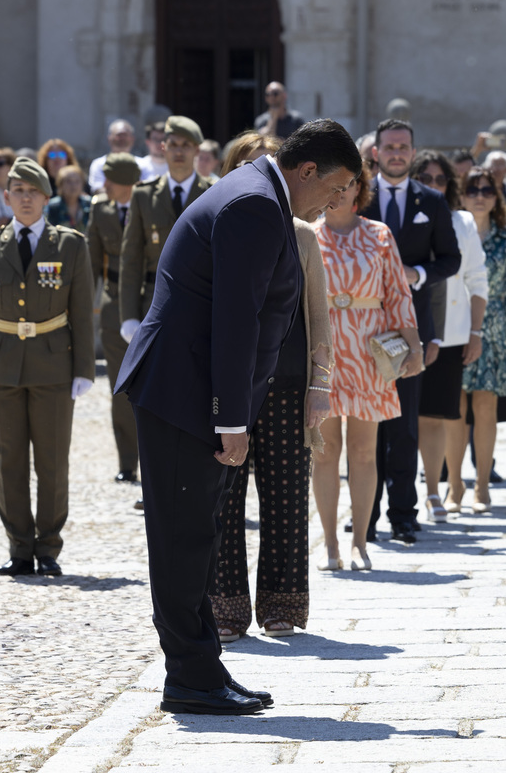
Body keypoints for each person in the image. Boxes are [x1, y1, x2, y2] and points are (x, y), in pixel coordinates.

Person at [115, 119, 362, 716]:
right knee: (183, 539)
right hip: (187, 393)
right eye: (334, 189)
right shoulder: (254, 203)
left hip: (190, 388)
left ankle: (201, 668)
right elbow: (235, 318)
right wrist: (232, 418)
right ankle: (190, 678)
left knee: (196, 535)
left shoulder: (260, 192)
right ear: (307, 170)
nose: (335, 203)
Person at [210, 130, 332, 639]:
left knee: (285, 499)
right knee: (225, 499)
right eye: (246, 165)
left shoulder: (303, 235)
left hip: (285, 385)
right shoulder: (220, 227)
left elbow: (319, 319)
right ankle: (226, 609)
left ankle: (283, 606)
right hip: (232, 387)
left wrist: (319, 385)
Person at [0, 157, 96, 578]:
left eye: (32, 192)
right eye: (17, 191)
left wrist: (84, 368)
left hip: (54, 366)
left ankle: (49, 547)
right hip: (0, 367)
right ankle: (19, 547)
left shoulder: (71, 244)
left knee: (52, 462)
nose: (24, 199)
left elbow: (82, 311)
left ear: (46, 198)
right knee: (9, 461)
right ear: (6, 197)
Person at [358, 118, 461, 544]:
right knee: (365, 425)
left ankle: (403, 514)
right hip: (361, 328)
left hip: (409, 329)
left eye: (404, 146)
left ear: (413, 152)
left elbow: (450, 260)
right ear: (376, 152)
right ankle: (365, 515)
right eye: (389, 146)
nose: (397, 153)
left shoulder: (431, 202)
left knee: (402, 424)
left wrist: (414, 275)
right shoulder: (357, 196)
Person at [313, 172, 420, 569]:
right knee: (324, 452)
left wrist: (414, 346)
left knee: (362, 450)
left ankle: (360, 542)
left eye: (347, 185)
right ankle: (329, 545)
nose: (339, 193)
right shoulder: (307, 233)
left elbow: (397, 293)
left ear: (360, 188)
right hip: (322, 350)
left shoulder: (379, 235)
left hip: (369, 350)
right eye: (332, 185)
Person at [410, 151, 488, 521]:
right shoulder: (400, 216)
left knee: (438, 415)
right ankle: (398, 493)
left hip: (452, 333)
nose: (433, 185)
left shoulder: (463, 222)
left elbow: (477, 281)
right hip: (403, 330)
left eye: (440, 179)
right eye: (425, 178)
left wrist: (476, 332)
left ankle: (433, 492)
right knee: (397, 418)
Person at [452, 166, 506, 512]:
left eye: (487, 190)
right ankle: (455, 485)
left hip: (496, 329)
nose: (480, 195)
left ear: (496, 197)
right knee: (454, 408)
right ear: (462, 195)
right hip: (455, 323)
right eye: (473, 189)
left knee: (485, 408)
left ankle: (482, 485)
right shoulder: (451, 232)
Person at [118, 116, 211, 343]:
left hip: (202, 301)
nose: (179, 152)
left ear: (197, 150)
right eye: (173, 145)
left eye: (186, 145)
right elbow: (131, 258)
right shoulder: (143, 195)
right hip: (154, 301)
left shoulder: (213, 193)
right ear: (163, 148)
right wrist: (129, 316)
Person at [86, 153, 142, 484]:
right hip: (113, 306)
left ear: (125, 182)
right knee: (120, 392)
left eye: (110, 179)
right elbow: (92, 263)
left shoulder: (149, 205)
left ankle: (155, 459)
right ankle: (127, 462)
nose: (104, 185)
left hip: (148, 302)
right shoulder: (100, 210)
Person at [88, 120, 141, 193]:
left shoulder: (143, 164)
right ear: (109, 138)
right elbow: (98, 189)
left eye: (125, 135)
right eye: (119, 135)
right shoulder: (98, 164)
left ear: (132, 138)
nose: (122, 139)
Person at [46, 165, 91, 233]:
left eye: (77, 181)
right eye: (68, 181)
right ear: (60, 184)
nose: (73, 185)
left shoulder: (90, 204)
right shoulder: (52, 207)